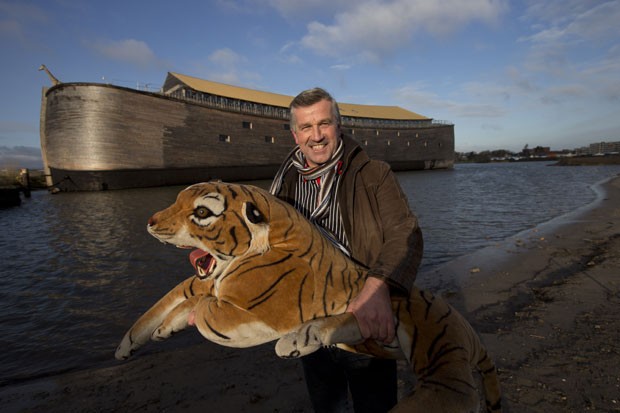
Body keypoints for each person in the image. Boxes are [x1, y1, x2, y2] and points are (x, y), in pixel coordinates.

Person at [270, 88, 423, 412]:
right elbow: (265, 245)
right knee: (327, 405)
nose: (317, 136)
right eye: (306, 128)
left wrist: (377, 288)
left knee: (375, 405)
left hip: (362, 316)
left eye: (324, 124)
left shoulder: (373, 174)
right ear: (295, 135)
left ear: (338, 125)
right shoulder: (284, 185)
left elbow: (405, 233)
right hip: (309, 320)